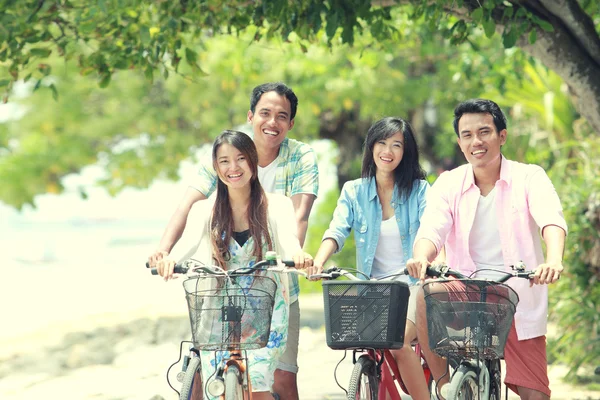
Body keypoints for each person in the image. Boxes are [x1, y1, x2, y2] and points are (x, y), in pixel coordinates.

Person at [150, 82, 319, 399]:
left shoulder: (277, 204)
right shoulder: (207, 209)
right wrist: (168, 258)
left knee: (259, 383)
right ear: (215, 168)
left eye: (241, 160)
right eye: (224, 162)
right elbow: (186, 244)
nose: (233, 168)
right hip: (218, 309)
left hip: (264, 309)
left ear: (252, 163)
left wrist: (300, 258)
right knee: (217, 389)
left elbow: (290, 240)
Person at [406, 99, 567, 400]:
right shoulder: (448, 183)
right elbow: (432, 229)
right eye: (466, 135)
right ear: (459, 141)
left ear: (501, 136)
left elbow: (551, 220)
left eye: (484, 132)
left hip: (516, 298)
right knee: (426, 293)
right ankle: (444, 386)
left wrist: (554, 260)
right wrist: (421, 257)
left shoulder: (529, 177)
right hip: (466, 293)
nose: (476, 141)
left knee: (537, 396)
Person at [311, 117, 432, 400]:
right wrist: (319, 261)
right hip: (373, 289)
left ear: (406, 152)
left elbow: (431, 230)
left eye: (396, 145)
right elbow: (337, 230)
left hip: (411, 286)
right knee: (367, 344)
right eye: (381, 143)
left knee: (398, 342)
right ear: (371, 146)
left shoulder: (420, 191)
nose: (387, 151)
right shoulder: (354, 191)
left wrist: (423, 260)